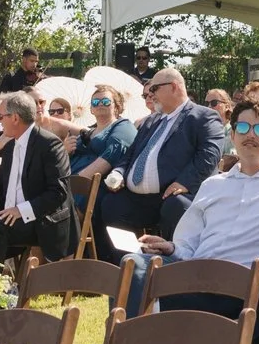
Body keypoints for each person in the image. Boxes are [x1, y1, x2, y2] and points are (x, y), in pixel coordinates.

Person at [134, 97, 259, 319]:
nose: (251, 134)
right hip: (195, 281)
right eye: (243, 127)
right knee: (134, 265)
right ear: (232, 136)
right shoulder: (212, 185)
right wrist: (170, 248)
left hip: (245, 291)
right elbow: (187, 243)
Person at [93, 69, 230, 262]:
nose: (150, 94)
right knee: (111, 203)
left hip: (174, 195)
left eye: (155, 88)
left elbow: (209, 154)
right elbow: (130, 155)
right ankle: (130, 264)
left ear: (174, 87)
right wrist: (119, 172)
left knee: (176, 205)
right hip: (139, 198)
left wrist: (184, 182)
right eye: (148, 92)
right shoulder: (151, 121)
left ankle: (169, 271)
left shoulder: (202, 116)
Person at [0, 92, 74, 269]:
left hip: (43, 220)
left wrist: (20, 211)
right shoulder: (11, 147)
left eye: (1, 116)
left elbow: (58, 192)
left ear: (15, 118)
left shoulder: (50, 145)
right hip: (13, 218)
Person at [69, 85, 137, 212]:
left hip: (89, 187)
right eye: (95, 102)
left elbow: (108, 159)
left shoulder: (123, 127)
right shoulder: (88, 131)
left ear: (117, 107)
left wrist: (70, 185)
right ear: (91, 109)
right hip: (70, 183)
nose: (100, 104)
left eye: (105, 102)